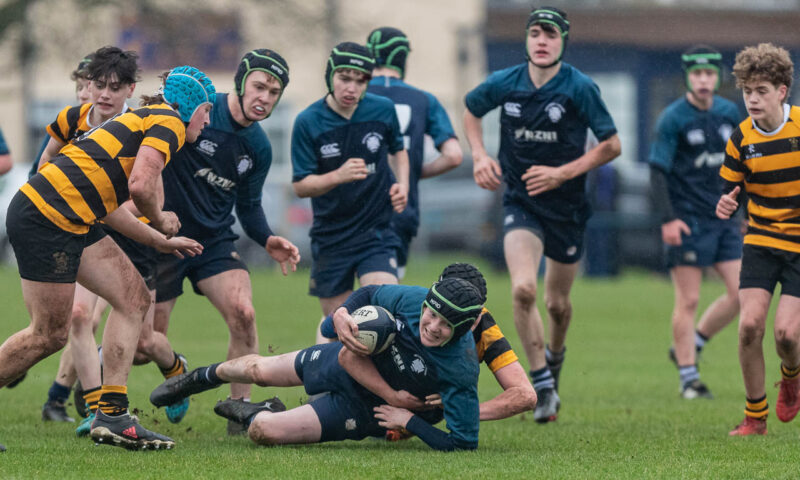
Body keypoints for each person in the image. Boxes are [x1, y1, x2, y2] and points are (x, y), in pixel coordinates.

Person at [0, 65, 215, 451]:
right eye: (207, 110)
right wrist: (160, 218)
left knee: (134, 299)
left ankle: (112, 415)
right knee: (48, 334)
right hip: (47, 216)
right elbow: (141, 186)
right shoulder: (170, 122)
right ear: (190, 107)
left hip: (70, 215)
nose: (209, 120)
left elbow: (108, 209)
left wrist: (159, 240)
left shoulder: (143, 119)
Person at [462, 6, 620, 423]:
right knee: (523, 290)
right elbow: (471, 110)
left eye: (550, 34)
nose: (542, 41)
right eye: (536, 33)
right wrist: (479, 155)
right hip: (521, 201)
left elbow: (612, 145)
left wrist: (562, 173)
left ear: (563, 41)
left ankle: (555, 358)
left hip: (567, 208)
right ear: (527, 39)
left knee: (557, 304)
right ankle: (542, 383)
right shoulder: (506, 82)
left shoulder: (579, 87)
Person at [150, 278, 484, 451]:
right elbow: (369, 293)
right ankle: (202, 377)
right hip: (347, 365)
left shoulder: (460, 369)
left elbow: (463, 444)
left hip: (364, 410)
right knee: (258, 371)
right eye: (431, 313)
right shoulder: (413, 299)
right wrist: (341, 314)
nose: (432, 326)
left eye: (445, 324)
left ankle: (261, 410)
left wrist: (408, 420)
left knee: (263, 432)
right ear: (425, 304)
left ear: (464, 329)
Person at [151, 49, 300, 434]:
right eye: (259, 87)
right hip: (164, 236)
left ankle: (240, 408)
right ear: (241, 82)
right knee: (145, 343)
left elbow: (248, 206)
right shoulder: (200, 109)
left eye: (274, 92)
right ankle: (175, 369)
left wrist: (267, 238)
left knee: (243, 313)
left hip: (213, 241)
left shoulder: (259, 147)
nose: (265, 98)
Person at [320, 262, 536, 434]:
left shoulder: (486, 333)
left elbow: (526, 395)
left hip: (421, 405)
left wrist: (464, 411)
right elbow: (329, 328)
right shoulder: (417, 302)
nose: (437, 322)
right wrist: (341, 315)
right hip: (378, 373)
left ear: (477, 314)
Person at [648, 45, 743, 400]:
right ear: (687, 77)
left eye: (709, 74)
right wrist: (668, 219)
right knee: (688, 299)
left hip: (724, 219)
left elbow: (741, 167)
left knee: (742, 294)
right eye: (697, 74)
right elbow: (657, 172)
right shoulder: (672, 118)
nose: (703, 80)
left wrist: (745, 212)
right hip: (687, 220)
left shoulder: (728, 112)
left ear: (718, 77)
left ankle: (694, 342)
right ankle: (689, 379)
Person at [291, 41, 409, 323]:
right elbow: (301, 186)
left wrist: (403, 184)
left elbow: (399, 150)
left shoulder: (382, 109)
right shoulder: (308, 121)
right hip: (332, 237)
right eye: (344, 78)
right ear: (330, 76)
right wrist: (337, 176)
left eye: (360, 81)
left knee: (385, 309)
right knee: (338, 324)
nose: (351, 88)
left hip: (376, 232)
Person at [717, 43, 800, 436]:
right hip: (761, 241)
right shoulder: (740, 139)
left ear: (781, 92)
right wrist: (725, 204)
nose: (752, 99)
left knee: (787, 335)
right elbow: (729, 192)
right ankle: (755, 418)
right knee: (749, 326)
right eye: (747, 91)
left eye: (761, 91)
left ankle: (792, 375)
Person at [8, 54, 95, 398]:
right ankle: (74, 399)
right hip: (63, 230)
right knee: (57, 327)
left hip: (106, 235)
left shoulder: (124, 127)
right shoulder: (68, 123)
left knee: (83, 318)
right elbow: (37, 174)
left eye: (91, 86)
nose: (85, 93)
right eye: (81, 86)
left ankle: (91, 402)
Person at [364, 27, 462, 278]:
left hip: (357, 207)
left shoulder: (354, 95)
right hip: (401, 209)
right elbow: (454, 155)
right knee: (387, 288)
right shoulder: (424, 100)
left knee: (351, 294)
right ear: (403, 58)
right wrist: (413, 172)